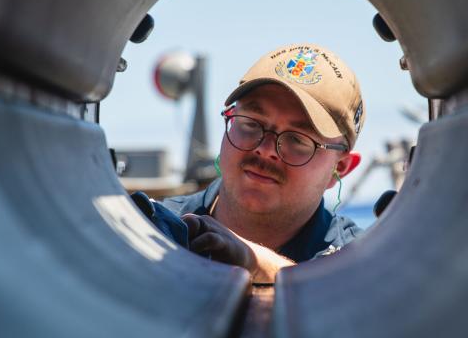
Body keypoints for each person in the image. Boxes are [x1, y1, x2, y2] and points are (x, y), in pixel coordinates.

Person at [132, 43, 366, 284]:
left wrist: (257, 263)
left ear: (339, 168)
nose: (264, 150)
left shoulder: (360, 262)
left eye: (297, 139)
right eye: (251, 124)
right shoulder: (156, 232)